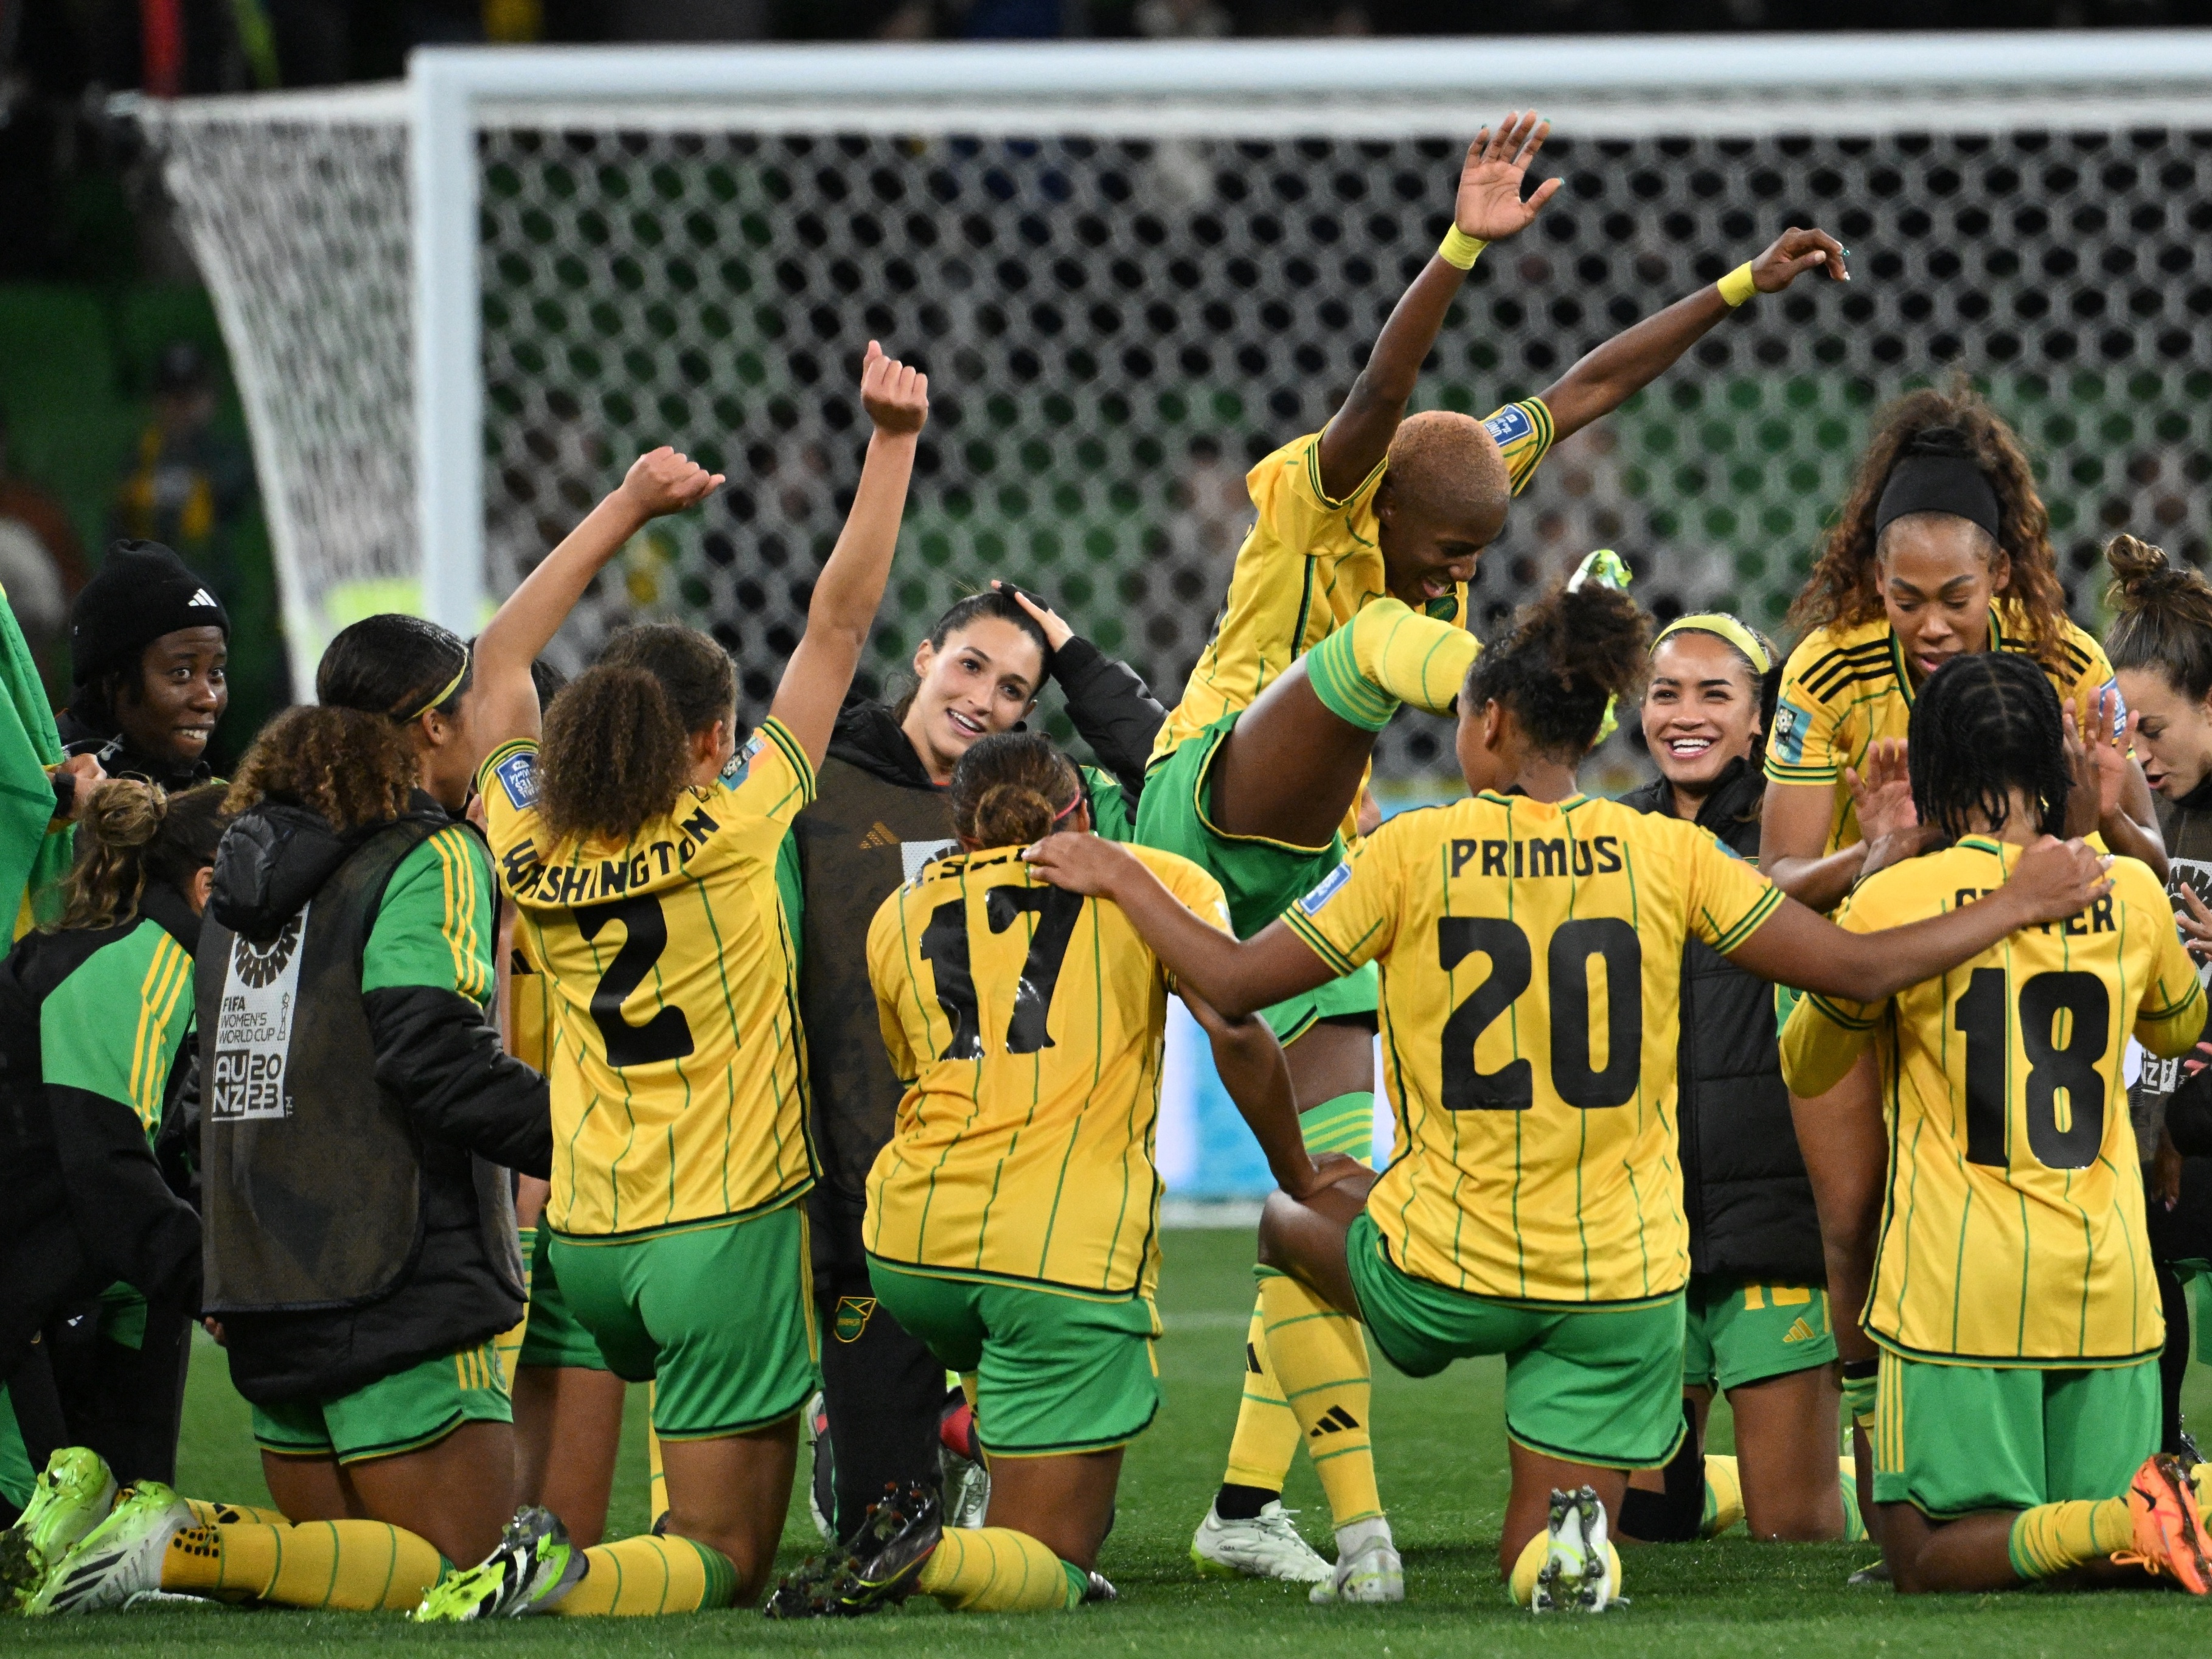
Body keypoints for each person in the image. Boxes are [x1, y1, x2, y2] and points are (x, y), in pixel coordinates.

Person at [1024, 577, 2117, 1611]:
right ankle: (1563, 1546)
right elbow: (1862, 969)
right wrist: (2012, 903)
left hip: (1447, 1258)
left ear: (1491, 722)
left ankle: (1333, 1525)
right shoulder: (1665, 854)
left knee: (1291, 1213)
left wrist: (1122, 870)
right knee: (1533, 1546)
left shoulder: (1411, 850)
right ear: (1594, 733)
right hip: (1617, 1279)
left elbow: (1228, 986)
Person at [1140, 113, 1852, 1597]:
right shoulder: (1327, 490)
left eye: (1477, 559)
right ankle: (1520, 745)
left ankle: (1315, 1520)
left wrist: (1736, 287)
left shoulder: (1462, 478)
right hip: (1208, 803)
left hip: (1332, 846)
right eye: (1446, 555)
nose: (1458, 567)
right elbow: (1382, 389)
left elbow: (1587, 384)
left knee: (1329, 1192)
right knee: (1398, 653)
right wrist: (1461, 243)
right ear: (1389, 505)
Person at [423, 341, 928, 1619]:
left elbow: (493, 665)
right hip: (726, 1228)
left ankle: (538, 1560)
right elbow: (841, 623)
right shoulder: (741, 820)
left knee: (580, 1530)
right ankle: (563, 1577)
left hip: (583, 1236)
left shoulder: (528, 842)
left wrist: (628, 506)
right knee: (723, 1558)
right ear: (713, 740)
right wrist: (891, 442)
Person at [19, 614, 554, 1618]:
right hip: (397, 1266)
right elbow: (432, 1056)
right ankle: (183, 1545)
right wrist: (594, 1135)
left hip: (264, 1286)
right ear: (433, 727)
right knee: (467, 1576)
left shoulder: (238, 878)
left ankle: (187, 1544)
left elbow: (206, 1091)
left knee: (342, 1593)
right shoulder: (425, 855)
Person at [767, 731, 1335, 1618]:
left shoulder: (899, 914)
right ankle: (925, 1546)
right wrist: (1296, 1170)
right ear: (1081, 813)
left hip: (911, 1246)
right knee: (1056, 1563)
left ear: (955, 830)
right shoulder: (1155, 882)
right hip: (1059, 1251)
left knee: (997, 1336)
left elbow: (917, 1068)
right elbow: (1233, 1024)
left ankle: (944, 1460)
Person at [1759, 388, 2165, 1519]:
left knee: (2017, 1194)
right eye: (1904, 600)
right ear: (1870, 582)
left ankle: (2061, 1451)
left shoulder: (2071, 659)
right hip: (1865, 962)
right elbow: (1776, 883)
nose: (1930, 625)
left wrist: (2096, 806)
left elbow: (2109, 849)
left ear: (2003, 577)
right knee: (1854, 1220)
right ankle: (1890, 1466)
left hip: (2006, 974)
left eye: (1955, 598)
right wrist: (1884, 851)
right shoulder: (1824, 675)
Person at [1778, 652, 2211, 1596]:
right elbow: (2179, 1026)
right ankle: (2155, 1505)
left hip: (1959, 1293)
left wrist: (1879, 867)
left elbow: (1808, 1059)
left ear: (1935, 771)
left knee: (1927, 1555)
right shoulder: (2127, 893)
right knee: (2091, 1569)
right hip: (2107, 1286)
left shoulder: (1896, 901)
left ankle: (2142, 1510)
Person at [788, 582, 1163, 1547]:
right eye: (971, 666)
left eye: (1015, 689)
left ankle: (971, 1424)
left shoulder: (1049, 801)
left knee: (1059, 1539)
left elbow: (1167, 775)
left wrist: (1078, 658)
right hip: (872, 1196)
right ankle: (867, 1423)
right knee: (882, 1532)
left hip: (1024, 1205)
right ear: (923, 657)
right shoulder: (810, 785)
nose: (986, 700)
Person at [1615, 614, 1849, 1545]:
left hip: (1775, 1223)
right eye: (1667, 691)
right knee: (1641, 1527)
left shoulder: (1804, 837)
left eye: (1717, 693)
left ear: (1761, 720)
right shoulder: (1607, 835)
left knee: (1792, 1532)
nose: (1687, 713)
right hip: (1641, 1228)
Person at [0, 779, 222, 1589]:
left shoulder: (155, 956)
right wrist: (226, 1288)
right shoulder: (139, 966)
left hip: (40, 1279)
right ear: (209, 885)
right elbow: (109, 1176)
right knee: (36, 1567)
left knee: (120, 1545)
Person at [2101, 534, 2212, 1458]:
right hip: (2164, 1096)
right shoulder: (2132, 810)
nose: (2137, 754)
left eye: (2155, 730)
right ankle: (2163, 1447)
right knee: (2145, 1259)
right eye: (2120, 731)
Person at [55, 540, 229, 795]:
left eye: (216, 673)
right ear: (111, 679)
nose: (209, 700)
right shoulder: (34, 795)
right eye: (182, 672)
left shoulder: (221, 800)